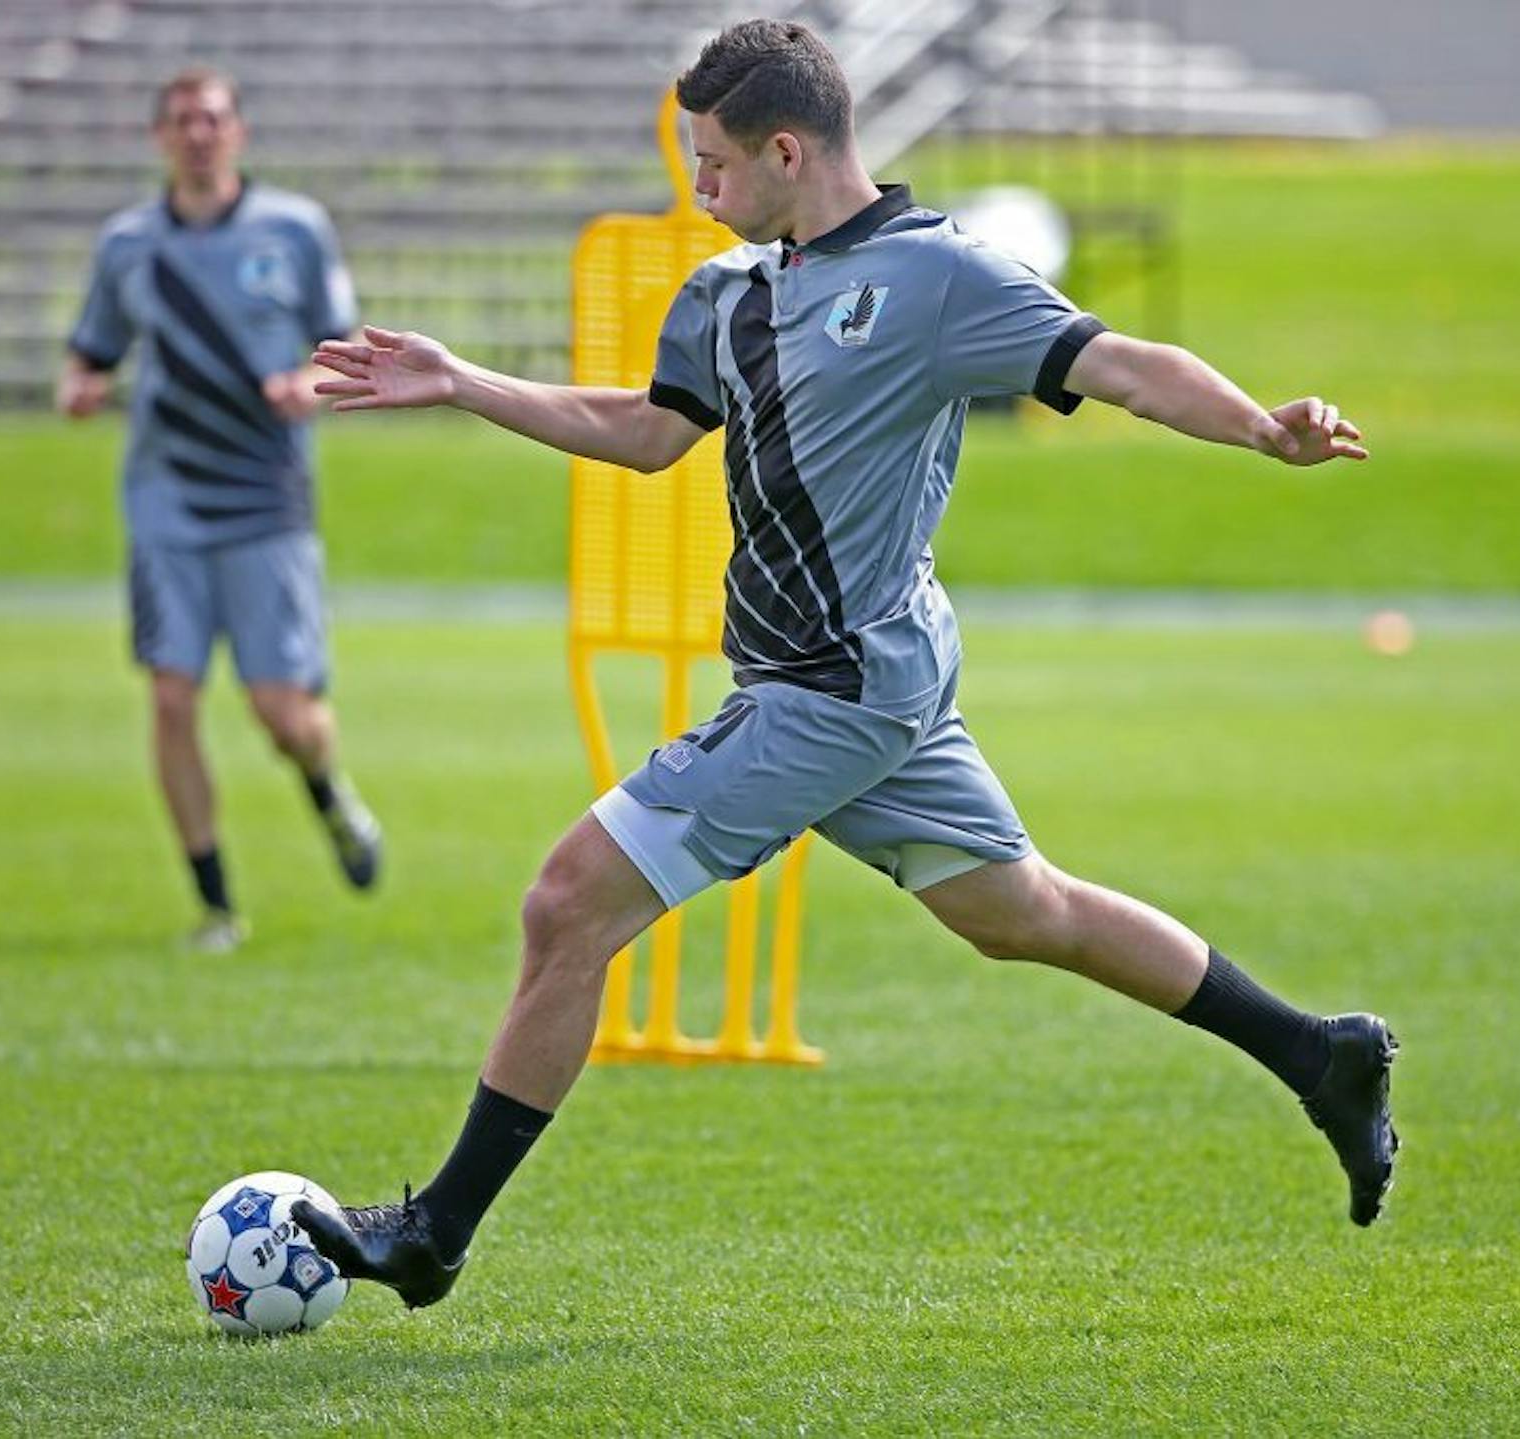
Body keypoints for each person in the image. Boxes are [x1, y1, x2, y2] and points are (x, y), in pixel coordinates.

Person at [293, 20, 1393, 1309]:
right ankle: (1321, 1054)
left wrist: (1264, 428)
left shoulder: (938, 280)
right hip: (856, 682)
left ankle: (435, 1233)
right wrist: (463, 380)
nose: (697, 190)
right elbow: (649, 434)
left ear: (785, 148)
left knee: (566, 900)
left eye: (710, 165)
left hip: (836, 685)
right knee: (1021, 913)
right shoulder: (725, 292)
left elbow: (1124, 366)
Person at [58, 66, 383, 951]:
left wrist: (305, 384)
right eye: (181, 120)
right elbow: (91, 351)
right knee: (171, 695)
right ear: (159, 137)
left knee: (284, 713)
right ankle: (214, 904)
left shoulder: (294, 229)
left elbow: (345, 350)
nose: (198, 133)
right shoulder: (128, 245)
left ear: (237, 132)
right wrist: (80, 387)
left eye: (212, 118)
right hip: (165, 499)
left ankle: (328, 791)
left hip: (265, 497)